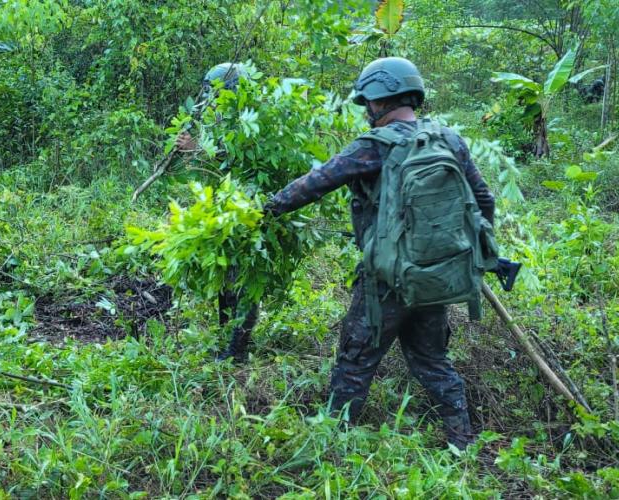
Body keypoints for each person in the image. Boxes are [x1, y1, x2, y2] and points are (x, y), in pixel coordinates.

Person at [264, 57, 496, 449]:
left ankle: (332, 444)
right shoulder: (449, 140)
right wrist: (467, 257)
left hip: (385, 281)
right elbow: (484, 202)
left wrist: (266, 210)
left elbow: (316, 183)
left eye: (368, 103)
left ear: (380, 98)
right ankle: (464, 442)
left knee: (355, 361)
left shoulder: (373, 147)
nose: (367, 111)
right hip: (435, 277)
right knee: (433, 360)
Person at [173, 62, 259, 362]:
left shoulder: (250, 121)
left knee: (243, 283)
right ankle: (227, 341)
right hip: (223, 209)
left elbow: (237, 158)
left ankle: (237, 352)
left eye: (214, 92)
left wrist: (198, 148)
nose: (208, 98)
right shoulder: (221, 121)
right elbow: (208, 171)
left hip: (247, 211)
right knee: (225, 281)